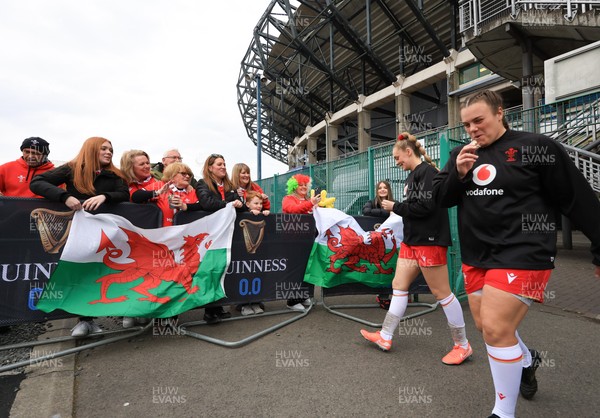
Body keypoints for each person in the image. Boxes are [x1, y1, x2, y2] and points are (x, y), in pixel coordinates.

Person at [432, 90, 600, 418]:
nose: (472, 129)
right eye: (466, 124)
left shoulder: (536, 148)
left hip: (524, 252)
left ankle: (503, 412)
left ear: (499, 112)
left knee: (495, 328)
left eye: (478, 120)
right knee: (487, 327)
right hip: (477, 255)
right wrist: (458, 173)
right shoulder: (460, 154)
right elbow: (439, 199)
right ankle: (526, 360)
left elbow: (576, 198)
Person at [360, 132, 471, 366]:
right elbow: (415, 208)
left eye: (397, 156)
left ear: (408, 152)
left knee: (442, 294)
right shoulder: (412, 177)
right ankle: (386, 335)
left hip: (429, 241)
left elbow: (426, 208)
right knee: (398, 286)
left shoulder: (427, 173)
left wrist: (395, 206)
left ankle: (463, 345)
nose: (396, 161)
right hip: (412, 242)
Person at [30, 137, 130, 337]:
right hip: (81, 232)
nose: (109, 152)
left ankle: (125, 312)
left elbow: (124, 193)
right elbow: (37, 183)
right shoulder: (71, 168)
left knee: (111, 273)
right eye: (103, 148)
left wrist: (105, 196)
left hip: (109, 234)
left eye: (111, 149)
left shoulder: (115, 174)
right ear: (91, 149)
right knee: (83, 274)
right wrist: (64, 196)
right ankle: (85, 320)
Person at [193, 153, 243, 323]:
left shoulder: (230, 185)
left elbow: (240, 205)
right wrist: (229, 205)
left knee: (223, 268)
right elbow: (206, 203)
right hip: (210, 235)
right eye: (219, 164)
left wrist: (241, 204)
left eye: (224, 164)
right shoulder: (202, 184)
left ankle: (219, 306)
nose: (223, 167)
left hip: (228, 234)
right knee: (210, 270)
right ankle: (209, 310)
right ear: (210, 167)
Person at [281, 174, 320, 311]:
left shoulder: (309, 200)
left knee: (307, 267)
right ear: (294, 186)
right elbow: (293, 210)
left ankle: (303, 295)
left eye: (305, 185)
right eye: (300, 184)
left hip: (309, 240)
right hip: (293, 241)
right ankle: (292, 300)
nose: (303, 187)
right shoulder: (288, 199)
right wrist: (311, 204)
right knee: (295, 269)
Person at [131, 162, 198, 226]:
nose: (187, 176)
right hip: (161, 232)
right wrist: (158, 192)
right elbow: (135, 197)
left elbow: (203, 206)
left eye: (189, 174)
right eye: (183, 173)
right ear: (172, 174)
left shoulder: (192, 191)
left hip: (182, 234)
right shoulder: (160, 185)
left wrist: (185, 206)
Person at [236, 190, 270, 316]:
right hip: (243, 253)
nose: (259, 206)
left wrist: (265, 212)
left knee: (258, 275)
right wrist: (250, 214)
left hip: (259, 254)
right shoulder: (243, 214)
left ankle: (256, 302)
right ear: (248, 204)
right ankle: (244, 305)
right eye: (256, 203)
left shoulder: (262, 214)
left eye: (260, 203)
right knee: (244, 276)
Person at [362, 180, 394, 309]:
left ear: (388, 190)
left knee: (390, 265)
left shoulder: (394, 202)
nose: (382, 190)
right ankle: (382, 296)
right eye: (380, 188)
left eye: (385, 188)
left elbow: (399, 211)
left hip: (391, 241)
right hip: (375, 242)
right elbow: (366, 211)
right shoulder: (372, 202)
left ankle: (391, 295)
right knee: (378, 266)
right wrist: (385, 212)